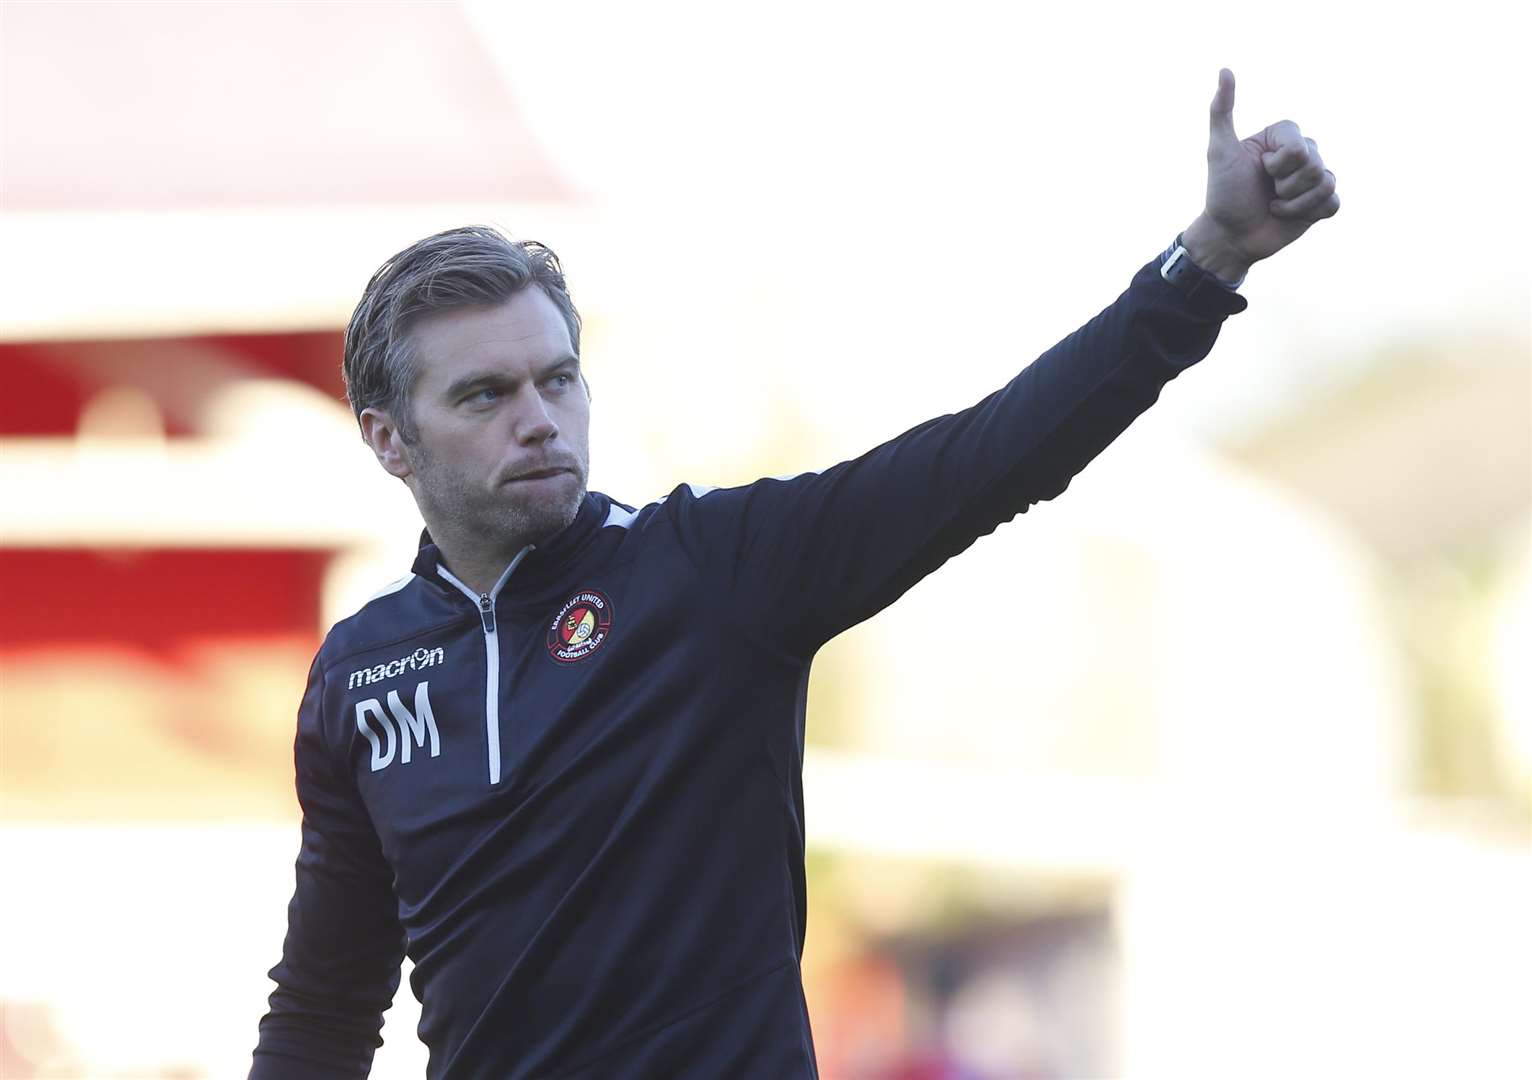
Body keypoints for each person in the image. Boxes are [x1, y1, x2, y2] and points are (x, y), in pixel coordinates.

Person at [250, 69, 1338, 1078]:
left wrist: (1203, 264)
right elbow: (324, 1008)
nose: (538, 420)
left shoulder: (708, 573)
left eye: (558, 378)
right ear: (390, 440)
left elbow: (992, 455)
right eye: (485, 395)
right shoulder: (360, 671)